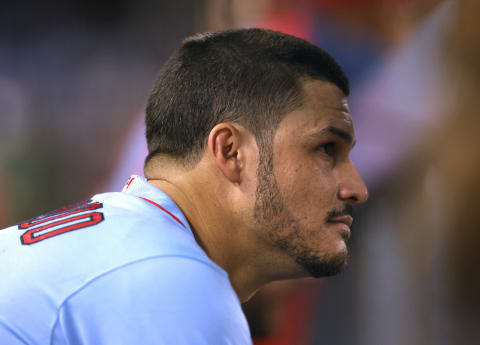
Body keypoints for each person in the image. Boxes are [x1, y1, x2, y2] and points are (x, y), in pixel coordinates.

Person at [0, 28, 368, 345]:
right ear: (231, 152)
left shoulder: (130, 248)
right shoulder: (173, 283)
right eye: (325, 150)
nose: (356, 188)